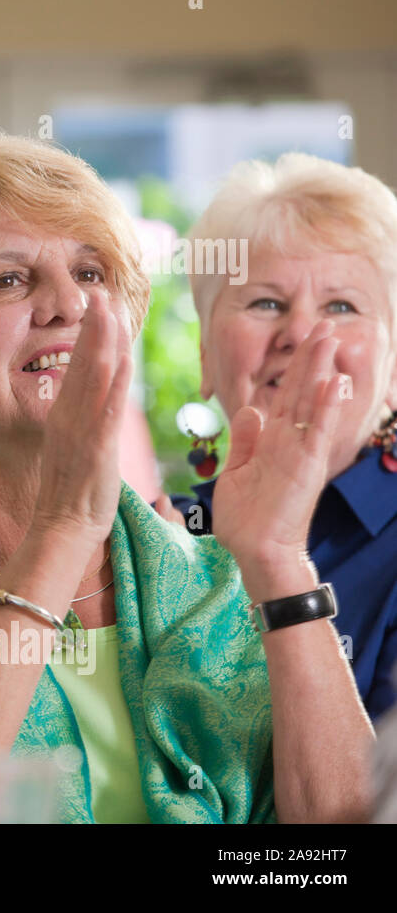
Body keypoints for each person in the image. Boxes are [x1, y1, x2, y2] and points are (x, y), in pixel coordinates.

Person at [0, 132, 373, 823]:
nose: (67, 306)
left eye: (90, 274)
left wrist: (279, 563)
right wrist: (60, 531)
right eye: (7, 280)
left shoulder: (216, 582)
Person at [159, 153, 397, 719]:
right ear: (205, 358)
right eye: (266, 302)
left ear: (394, 369)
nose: (302, 335)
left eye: (341, 305)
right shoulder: (157, 536)